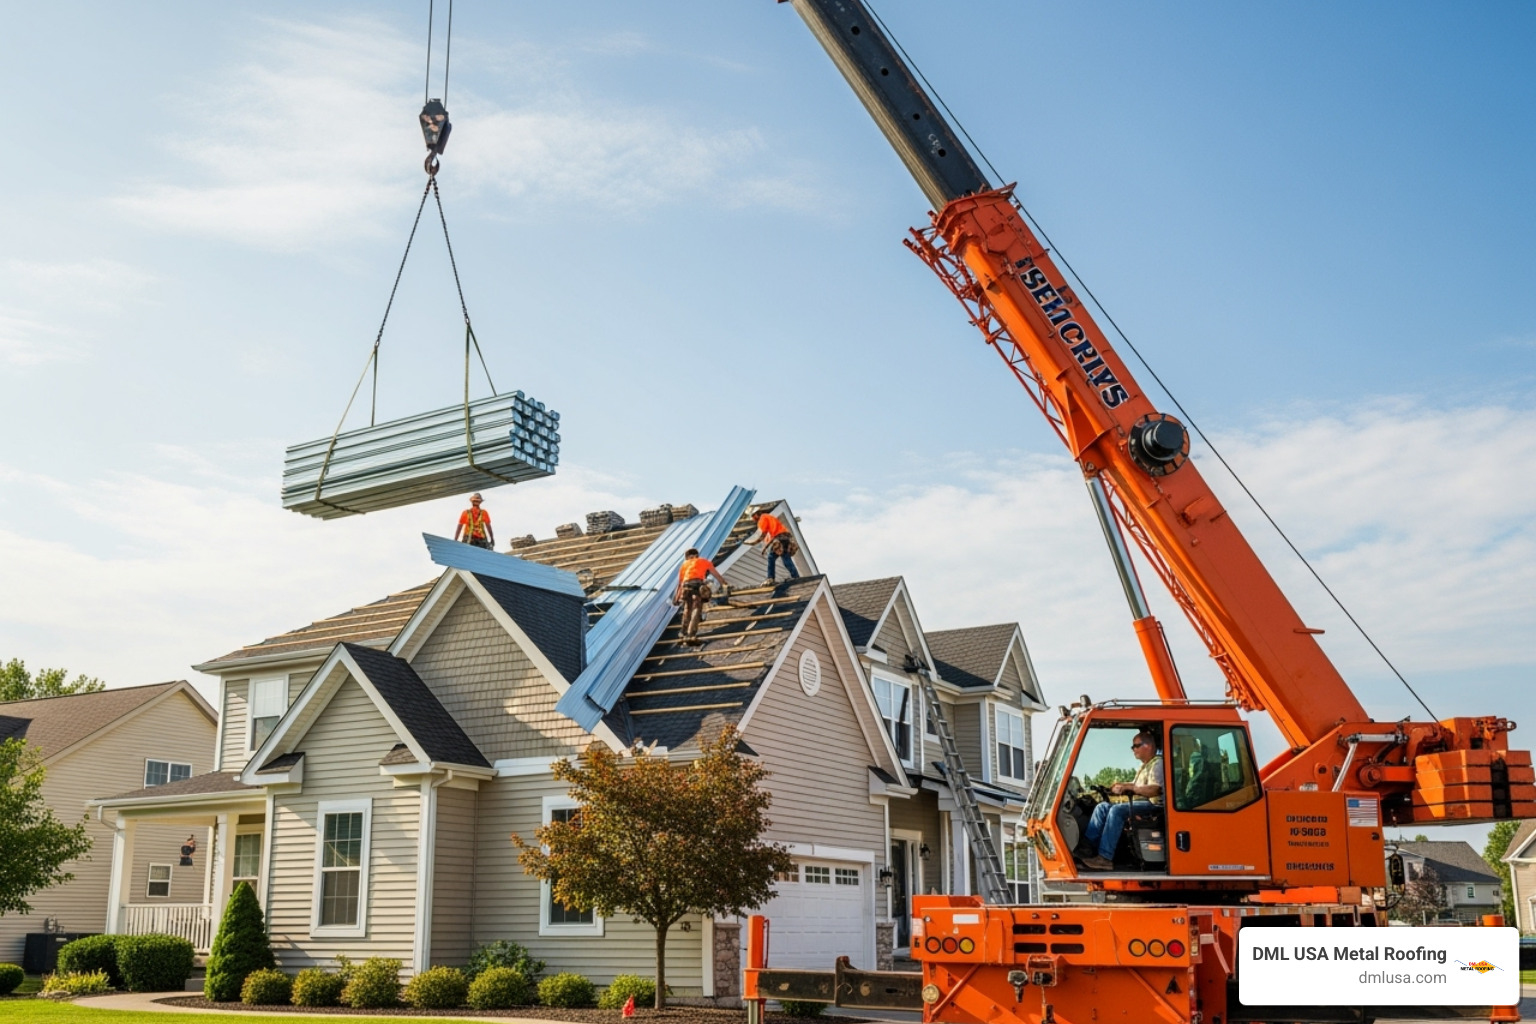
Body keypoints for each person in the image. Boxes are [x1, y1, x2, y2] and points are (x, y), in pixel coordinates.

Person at [1080, 730, 1163, 871]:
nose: (1133, 750)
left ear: (1148, 746)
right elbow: (1136, 785)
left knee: (1117, 810)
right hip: (1144, 802)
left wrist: (1133, 789)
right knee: (1103, 807)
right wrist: (1121, 786)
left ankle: (1105, 858)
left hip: (1154, 805)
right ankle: (1088, 848)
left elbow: (1155, 790)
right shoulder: (1145, 766)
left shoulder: (1158, 764)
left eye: (1136, 746)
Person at [675, 547, 728, 642]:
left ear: (688, 557)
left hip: (686, 586)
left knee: (687, 608)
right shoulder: (704, 561)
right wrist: (724, 584)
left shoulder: (684, 564)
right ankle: (691, 633)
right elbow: (717, 575)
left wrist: (677, 598)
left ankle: (683, 631)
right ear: (696, 555)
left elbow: (680, 584)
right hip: (697, 585)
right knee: (696, 608)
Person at [744, 509, 800, 585]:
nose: (753, 519)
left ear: (756, 514)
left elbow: (763, 535)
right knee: (783, 556)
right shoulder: (768, 517)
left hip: (780, 538)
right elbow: (772, 537)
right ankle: (795, 576)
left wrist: (753, 542)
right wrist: (764, 548)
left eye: (753, 516)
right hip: (784, 537)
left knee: (774, 557)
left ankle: (771, 578)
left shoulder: (762, 518)